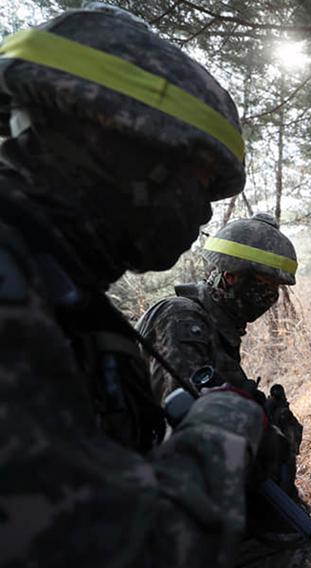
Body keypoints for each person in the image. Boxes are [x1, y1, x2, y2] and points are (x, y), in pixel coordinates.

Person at [0, 4, 271, 566]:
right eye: (197, 180)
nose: (200, 212)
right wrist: (224, 429)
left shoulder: (58, 285)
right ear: (117, 144)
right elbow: (109, 545)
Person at [137, 213, 311, 566]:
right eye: (265, 283)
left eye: (277, 288)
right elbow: (189, 429)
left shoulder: (216, 326)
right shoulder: (181, 320)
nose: (271, 296)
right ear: (230, 276)